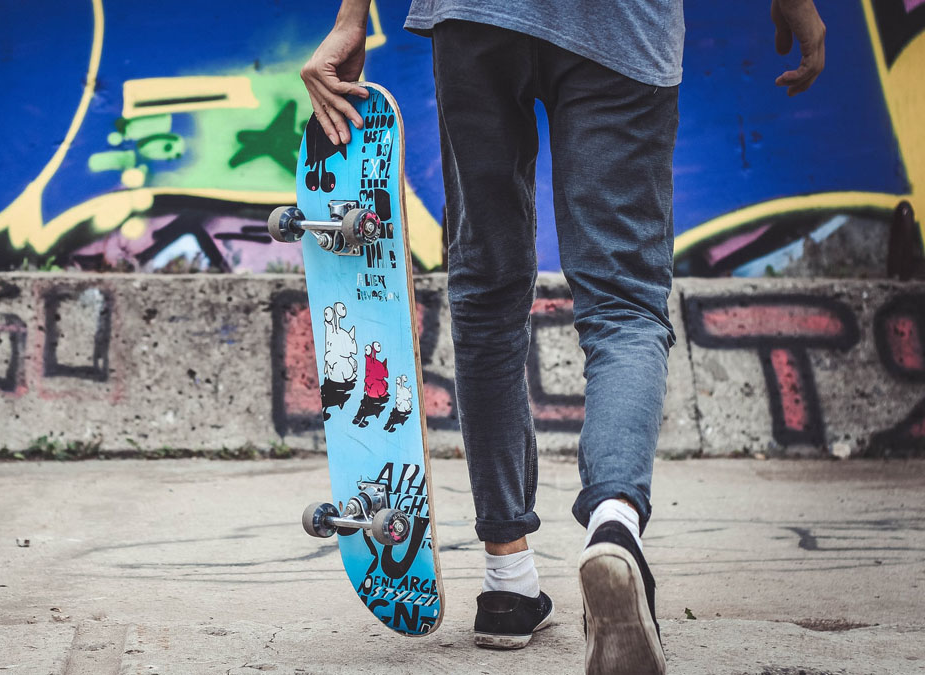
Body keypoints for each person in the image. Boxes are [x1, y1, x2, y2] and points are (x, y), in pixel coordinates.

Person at [301, 0, 825, 672]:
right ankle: (614, 525)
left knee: (487, 289)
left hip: (478, 16)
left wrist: (352, 16)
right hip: (625, 27)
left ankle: (507, 582)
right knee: (626, 301)